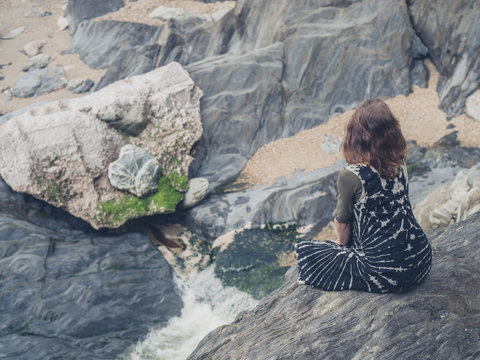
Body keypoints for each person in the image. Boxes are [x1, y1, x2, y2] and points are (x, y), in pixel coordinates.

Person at [295, 98, 432, 293]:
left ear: (356, 136)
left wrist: (341, 244)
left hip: (389, 273)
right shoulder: (399, 163)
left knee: (308, 253)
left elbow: (342, 221)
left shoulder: (351, 175)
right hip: (422, 259)